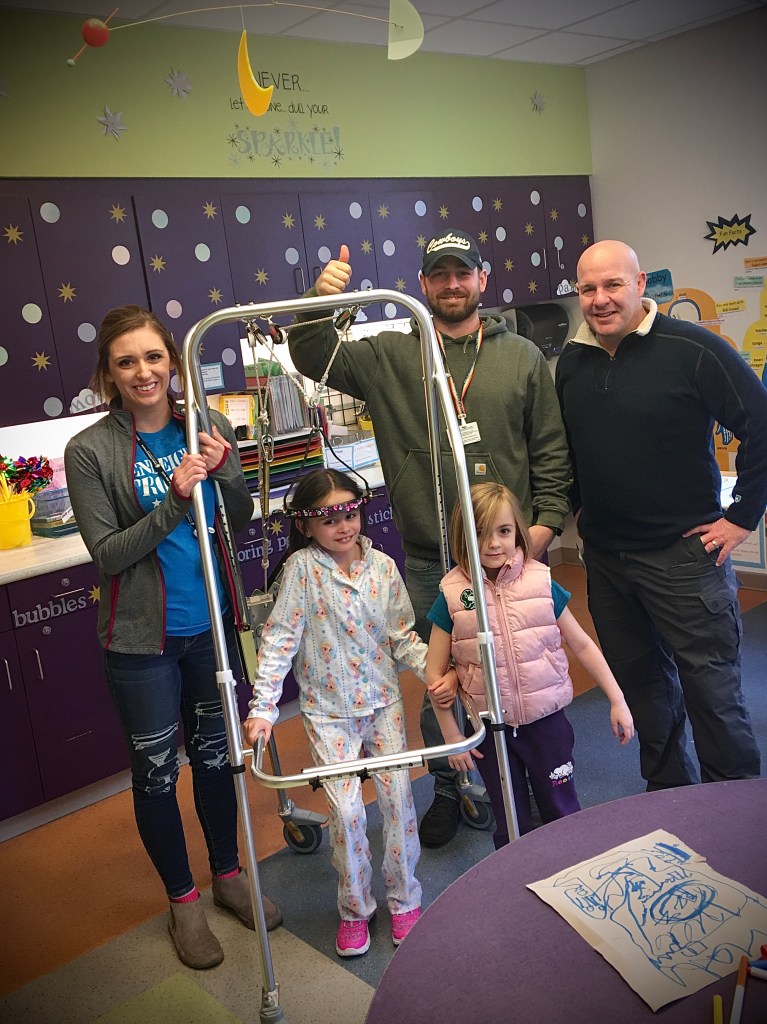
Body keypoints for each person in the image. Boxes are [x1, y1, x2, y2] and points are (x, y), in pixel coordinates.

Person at [288, 229, 572, 848]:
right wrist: (320, 300)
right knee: (440, 679)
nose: (451, 285)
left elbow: (551, 457)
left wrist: (539, 535)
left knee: (515, 671)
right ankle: (449, 786)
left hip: (509, 562)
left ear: (481, 280)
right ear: (422, 285)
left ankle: (531, 778)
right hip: (429, 561)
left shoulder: (520, 356)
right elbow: (311, 354)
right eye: (438, 275)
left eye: (461, 273)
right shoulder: (390, 355)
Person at [64, 305, 282, 972]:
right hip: (141, 646)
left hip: (211, 631)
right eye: (126, 361)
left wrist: (221, 470)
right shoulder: (90, 450)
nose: (143, 371)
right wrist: (172, 500)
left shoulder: (206, 424)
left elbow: (239, 516)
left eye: (153, 357)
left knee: (218, 760)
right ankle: (182, 901)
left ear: (173, 362)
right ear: (108, 374)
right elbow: (107, 554)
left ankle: (226, 876)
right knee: (157, 775)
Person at [555, 240, 767, 789]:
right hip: (607, 562)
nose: (600, 300)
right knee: (645, 689)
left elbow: (761, 423)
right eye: (588, 289)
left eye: (613, 285)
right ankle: (669, 795)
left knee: (712, 693)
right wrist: (581, 507)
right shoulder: (572, 361)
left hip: (685, 559)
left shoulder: (693, 349)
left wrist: (742, 516)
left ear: (641, 283)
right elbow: (576, 449)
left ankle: (733, 806)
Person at [242, 468, 455, 957]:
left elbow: (403, 637)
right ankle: (355, 908)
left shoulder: (382, 568)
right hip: (328, 711)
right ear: (306, 526)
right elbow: (277, 642)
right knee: (345, 813)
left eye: (351, 513)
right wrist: (263, 709)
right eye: (329, 518)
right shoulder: (300, 571)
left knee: (399, 803)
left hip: (382, 704)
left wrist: (436, 675)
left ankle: (404, 900)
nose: (344, 526)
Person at [425, 482, 634, 846]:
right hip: (490, 729)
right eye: (480, 534)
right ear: (461, 535)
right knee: (510, 818)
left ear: (518, 532)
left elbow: (582, 645)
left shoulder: (541, 581)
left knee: (561, 807)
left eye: (503, 531)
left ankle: (571, 869)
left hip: (546, 723)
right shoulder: (452, 593)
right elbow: (434, 673)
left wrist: (617, 699)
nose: (493, 544)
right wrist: (452, 734)